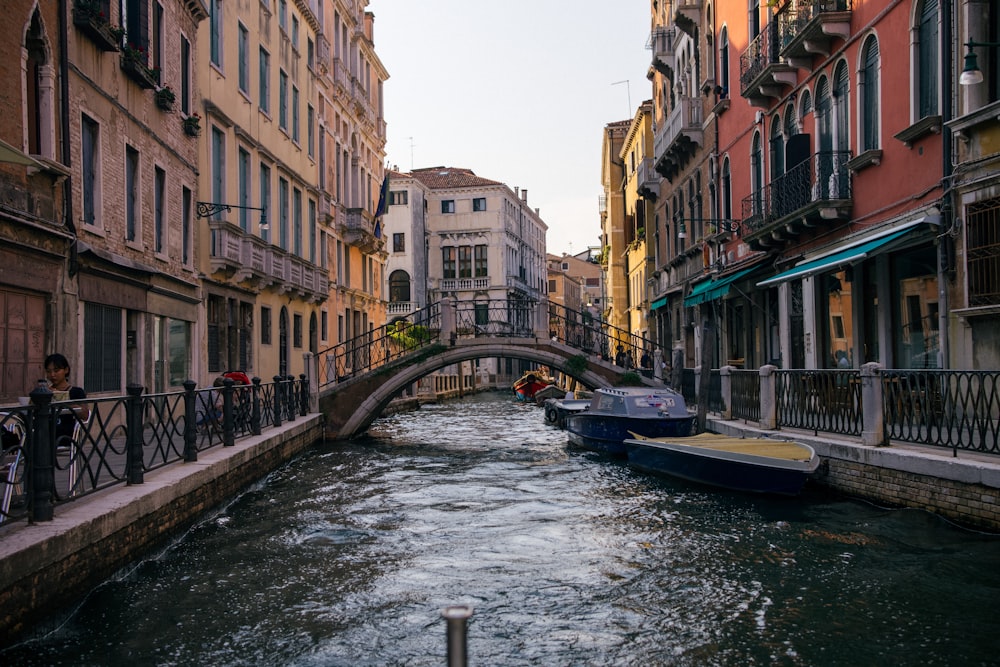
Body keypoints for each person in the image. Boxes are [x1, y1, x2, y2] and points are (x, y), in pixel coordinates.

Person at [43, 353, 89, 446]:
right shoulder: (44, 392)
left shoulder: (76, 392)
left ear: (66, 370)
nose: (52, 375)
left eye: (56, 371)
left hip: (65, 433)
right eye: (48, 371)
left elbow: (85, 415)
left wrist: (61, 398)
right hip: (45, 430)